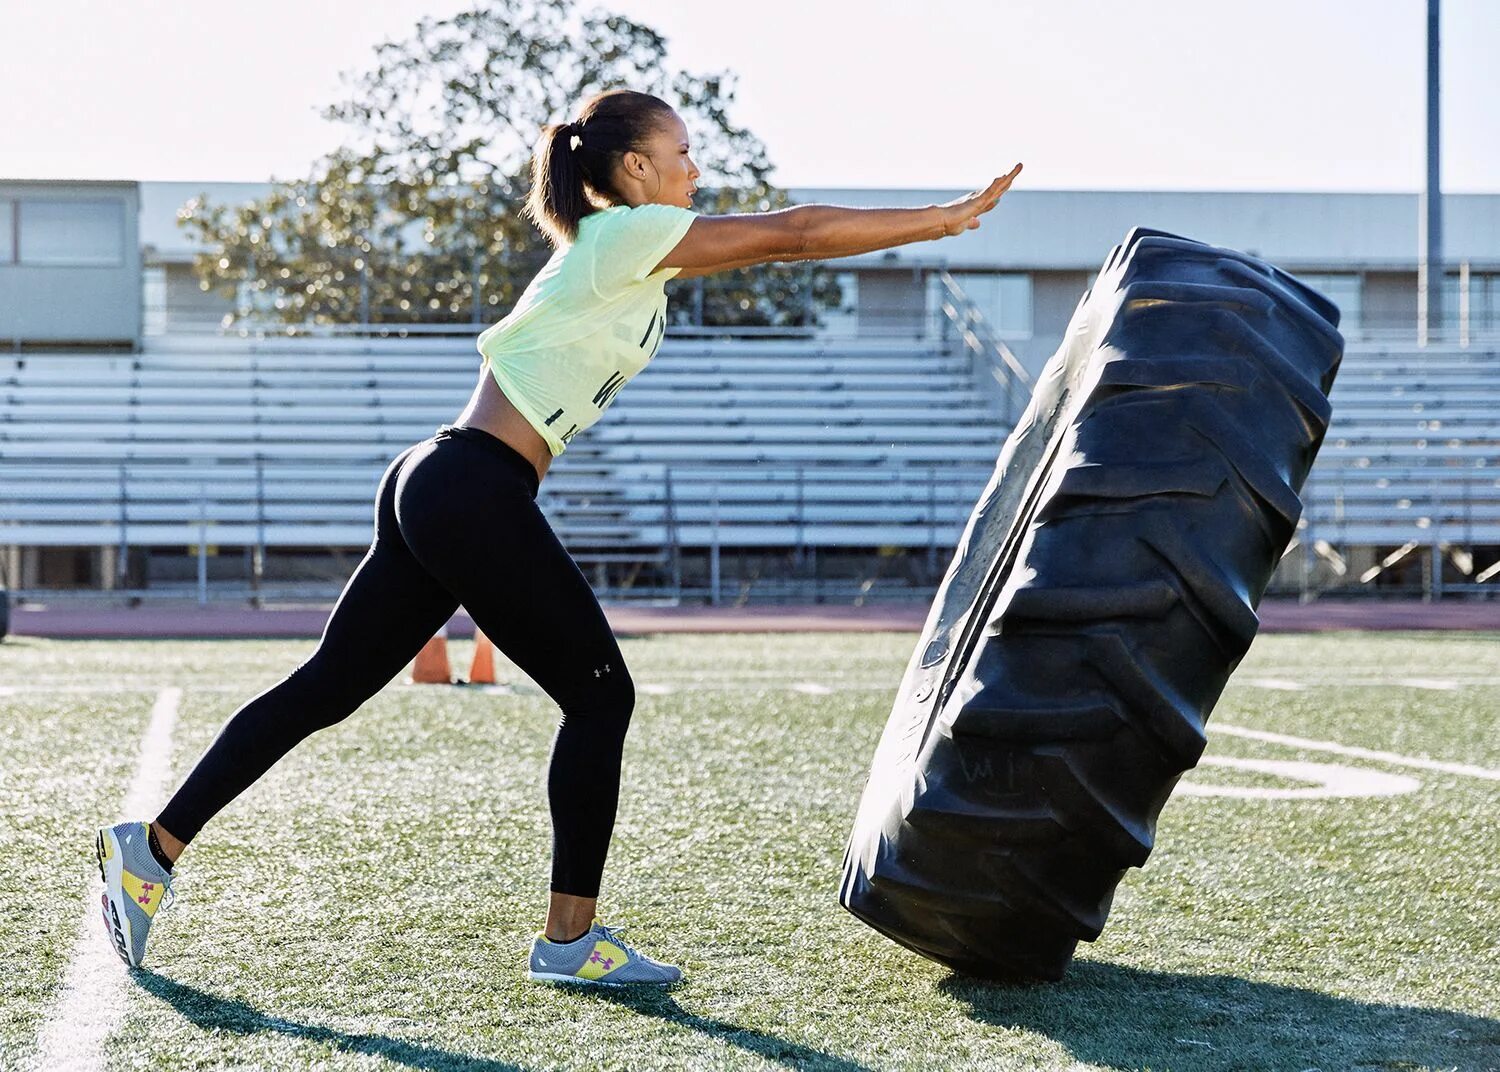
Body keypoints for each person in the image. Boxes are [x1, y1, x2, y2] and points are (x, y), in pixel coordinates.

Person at [96, 87, 1022, 985]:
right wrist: (941, 220)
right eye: (682, 154)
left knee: (328, 688)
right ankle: (569, 940)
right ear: (633, 168)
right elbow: (797, 234)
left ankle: (151, 849)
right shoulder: (628, 231)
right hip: (471, 487)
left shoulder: (621, 247)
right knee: (599, 696)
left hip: (449, 475)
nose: (695, 170)